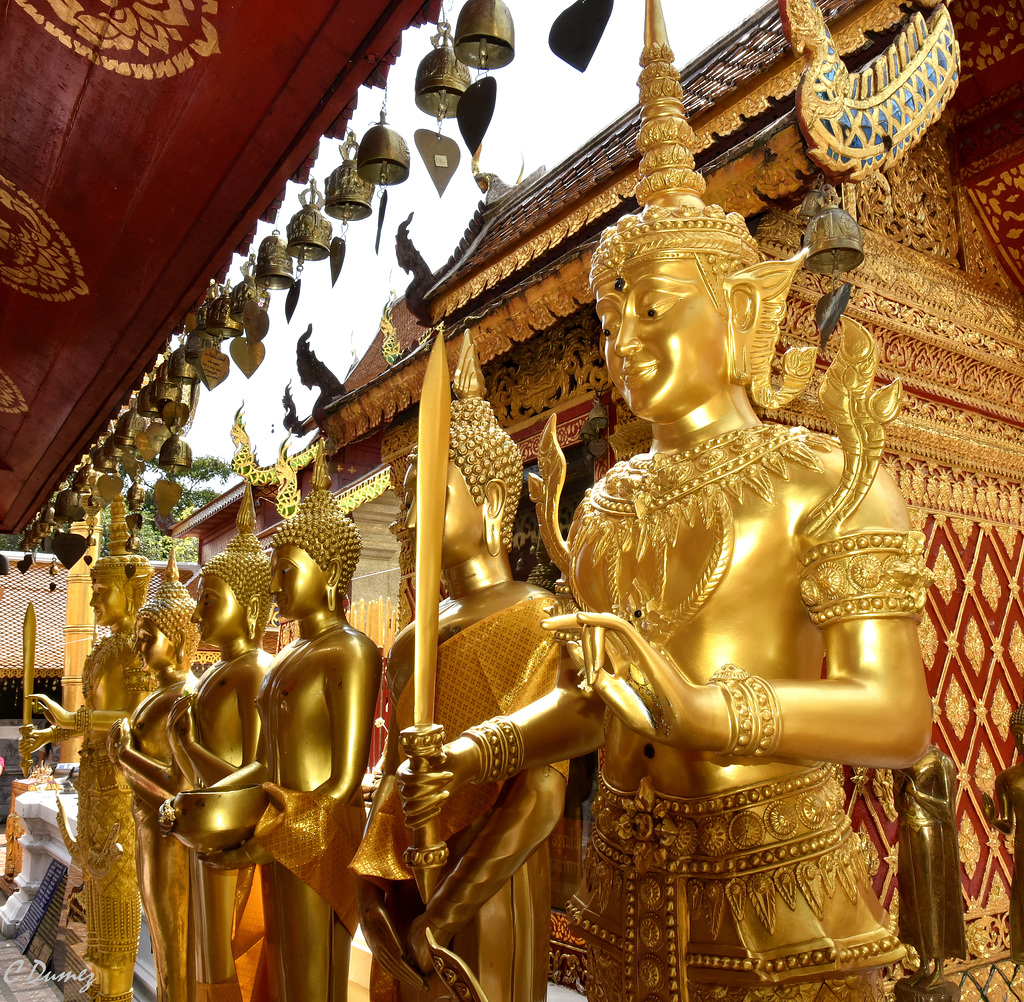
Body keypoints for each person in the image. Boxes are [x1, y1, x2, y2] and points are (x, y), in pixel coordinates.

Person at [397, 3, 933, 999]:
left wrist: (702, 710)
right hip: (629, 893)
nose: (622, 343)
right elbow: (599, 697)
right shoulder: (605, 508)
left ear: (738, 310)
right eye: (608, 319)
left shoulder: (821, 477)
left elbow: (895, 714)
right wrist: (481, 749)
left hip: (779, 897)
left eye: (652, 309)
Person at [353, 334, 566, 1001]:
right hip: (413, 882)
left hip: (490, 887)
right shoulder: (411, 641)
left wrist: (447, 916)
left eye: (431, 498)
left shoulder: (537, 616)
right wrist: (379, 902)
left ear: (495, 507)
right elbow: (394, 782)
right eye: (409, 500)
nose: (409, 520)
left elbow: (541, 795)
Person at [186, 444, 381, 1002]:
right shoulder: (286, 660)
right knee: (287, 973)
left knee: (314, 984)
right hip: (280, 831)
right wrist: (209, 802)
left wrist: (262, 844)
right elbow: (262, 765)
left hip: (317, 841)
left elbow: (342, 785)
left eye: (287, 571)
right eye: (274, 572)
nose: (276, 585)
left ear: (333, 572)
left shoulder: (352, 651)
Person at [20, 495, 154, 1002]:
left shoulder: (133, 650)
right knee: (99, 920)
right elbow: (96, 723)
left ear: (127, 590)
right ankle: (102, 989)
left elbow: (132, 721)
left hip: (120, 791)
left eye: (102, 591)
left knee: (118, 914)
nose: (96, 602)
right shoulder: (103, 649)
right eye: (94, 591)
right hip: (98, 791)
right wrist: (55, 732)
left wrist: (68, 721)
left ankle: (114, 992)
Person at [167, 484, 273, 1002]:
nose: (195, 615)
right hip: (202, 831)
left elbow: (255, 778)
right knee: (201, 966)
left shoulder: (256, 672)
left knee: (226, 965)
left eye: (208, 599)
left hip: (234, 839)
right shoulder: (216, 673)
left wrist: (184, 746)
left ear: (251, 603)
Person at [110, 547, 198, 1002]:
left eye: (148, 636)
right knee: (162, 947)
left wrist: (125, 756)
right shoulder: (156, 695)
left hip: (171, 838)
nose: (138, 645)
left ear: (178, 638)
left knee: (175, 946)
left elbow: (181, 787)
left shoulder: (185, 697)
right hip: (148, 833)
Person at [893, 746, 967, 994]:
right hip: (908, 830)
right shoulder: (903, 757)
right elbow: (899, 805)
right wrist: (900, 789)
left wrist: (917, 794)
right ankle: (923, 963)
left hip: (929, 833)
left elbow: (946, 808)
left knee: (931, 899)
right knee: (912, 899)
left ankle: (938, 967)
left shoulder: (940, 761)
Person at [983, 703, 1024, 962]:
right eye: (1018, 736)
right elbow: (1008, 826)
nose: (1023, 741)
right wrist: (991, 818)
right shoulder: (1007, 779)